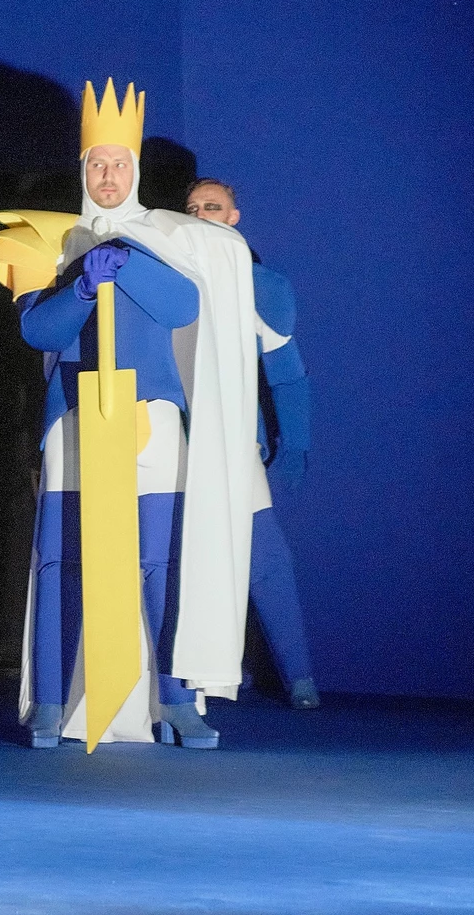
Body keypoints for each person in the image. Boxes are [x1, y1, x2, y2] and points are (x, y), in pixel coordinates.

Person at [17, 80, 256, 750]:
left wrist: (129, 266)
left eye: (118, 163)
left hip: (152, 420)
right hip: (75, 421)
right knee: (61, 564)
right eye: (97, 163)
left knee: (160, 563)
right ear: (83, 169)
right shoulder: (54, 240)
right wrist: (84, 286)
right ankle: (50, 702)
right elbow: (37, 330)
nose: (108, 175)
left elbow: (183, 306)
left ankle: (176, 702)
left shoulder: (169, 235)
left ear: (136, 170)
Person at [185, 179, 318, 708]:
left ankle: (299, 675)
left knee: (263, 556)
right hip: (170, 436)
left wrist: (295, 443)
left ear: (233, 216)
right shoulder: (166, 272)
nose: (201, 215)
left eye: (212, 207)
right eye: (192, 208)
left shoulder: (260, 286)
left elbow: (287, 374)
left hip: (233, 438)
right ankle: (198, 674)